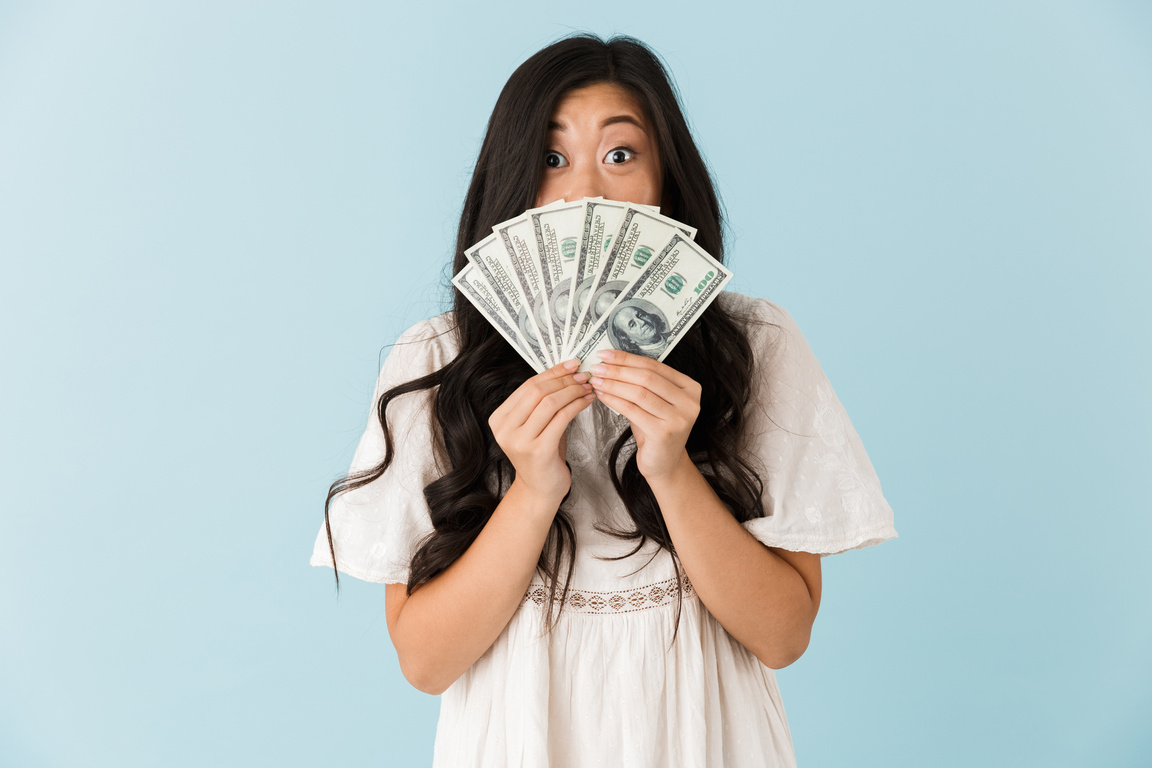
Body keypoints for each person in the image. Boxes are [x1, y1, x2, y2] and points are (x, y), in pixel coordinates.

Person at [311, 34, 897, 767]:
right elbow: (426, 662)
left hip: (708, 740)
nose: (585, 191)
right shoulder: (438, 360)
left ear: (666, 181)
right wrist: (532, 490)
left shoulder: (755, 344)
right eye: (552, 159)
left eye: (620, 155)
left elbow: (783, 637)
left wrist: (672, 469)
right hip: (519, 739)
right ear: (512, 180)